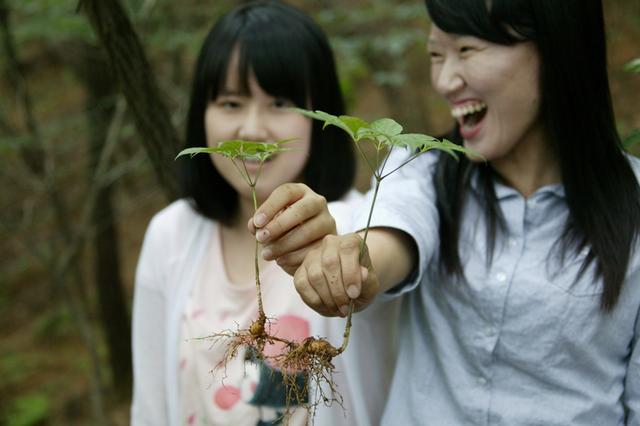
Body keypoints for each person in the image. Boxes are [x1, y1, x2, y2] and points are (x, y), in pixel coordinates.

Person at [251, 0, 640, 424]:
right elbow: (395, 229)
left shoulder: (632, 206)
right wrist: (354, 262)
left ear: (556, 49)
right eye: (436, 55)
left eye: (467, 50)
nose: (444, 80)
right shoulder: (422, 166)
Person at [130, 2, 400, 425]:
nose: (252, 129)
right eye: (231, 103)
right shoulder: (171, 235)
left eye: (278, 103)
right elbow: (149, 405)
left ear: (321, 114)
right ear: (202, 114)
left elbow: (374, 266)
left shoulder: (357, 229)